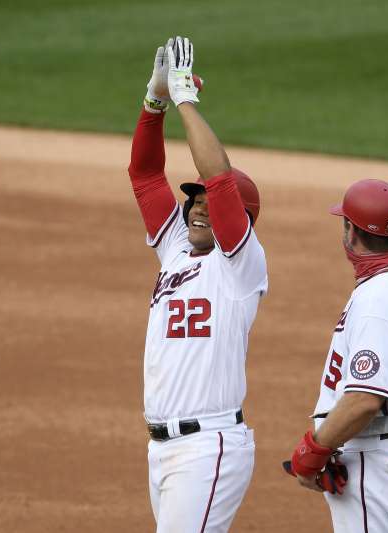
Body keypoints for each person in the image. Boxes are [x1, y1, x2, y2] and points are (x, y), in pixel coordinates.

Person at [127, 36, 267, 532]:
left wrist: (186, 97)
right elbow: (145, 175)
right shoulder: (175, 249)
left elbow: (221, 180)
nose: (199, 206)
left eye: (209, 201)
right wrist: (154, 100)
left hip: (207, 449)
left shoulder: (241, 264)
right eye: (195, 199)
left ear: (240, 220)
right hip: (162, 450)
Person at [285, 179, 388, 532]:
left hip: (374, 464)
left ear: (350, 231)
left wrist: (314, 450)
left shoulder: (378, 303)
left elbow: (364, 400)